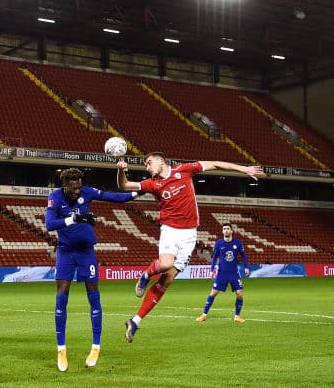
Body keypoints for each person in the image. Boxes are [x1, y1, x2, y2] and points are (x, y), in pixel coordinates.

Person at [116, 153, 263, 342]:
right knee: (166, 264)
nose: (147, 167)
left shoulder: (183, 170)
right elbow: (124, 185)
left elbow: (215, 163)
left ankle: (135, 321)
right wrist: (121, 171)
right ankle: (145, 276)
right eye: (145, 165)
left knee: (166, 280)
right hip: (170, 230)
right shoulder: (152, 184)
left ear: (162, 161)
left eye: (149, 163)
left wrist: (243, 169)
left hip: (190, 235)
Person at [45, 167, 139, 371]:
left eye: (79, 187)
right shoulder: (55, 197)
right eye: (73, 188)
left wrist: (138, 191)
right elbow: (49, 224)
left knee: (93, 296)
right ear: (65, 186)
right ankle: (61, 349)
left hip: (86, 251)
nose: (77, 192)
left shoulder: (87, 191)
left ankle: (95, 346)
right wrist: (75, 219)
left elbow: (113, 197)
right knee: (62, 296)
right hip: (66, 252)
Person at [195, 223, 250, 323]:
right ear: (222, 231)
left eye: (228, 228)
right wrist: (212, 270)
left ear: (231, 231)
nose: (226, 230)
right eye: (224, 229)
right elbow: (214, 257)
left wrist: (246, 267)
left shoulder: (237, 243)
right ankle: (204, 315)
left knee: (240, 294)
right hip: (221, 273)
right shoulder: (219, 243)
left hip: (234, 273)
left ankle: (237, 316)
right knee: (213, 293)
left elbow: (243, 255)